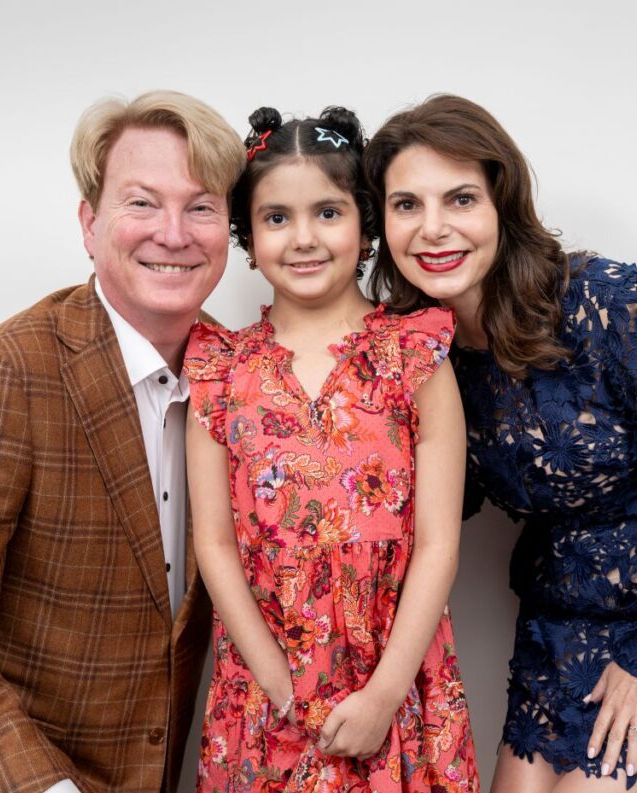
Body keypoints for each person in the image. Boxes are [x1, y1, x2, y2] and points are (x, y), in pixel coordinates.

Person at [363, 94, 637, 792]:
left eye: (459, 199)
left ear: (501, 205)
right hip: (575, 603)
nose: (434, 228)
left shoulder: (606, 304)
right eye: (406, 205)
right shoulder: (422, 352)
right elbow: (440, 498)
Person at [0, 90, 245, 793]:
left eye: (201, 206)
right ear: (90, 224)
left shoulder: (241, 378)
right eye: (142, 203)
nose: (174, 232)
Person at [183, 106, 480, 791]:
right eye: (277, 217)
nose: (303, 238)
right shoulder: (220, 370)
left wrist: (384, 693)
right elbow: (214, 543)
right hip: (266, 688)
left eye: (328, 212)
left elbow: (438, 541)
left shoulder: (415, 356)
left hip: (397, 679)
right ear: (248, 239)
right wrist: (275, 681)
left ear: (367, 226)